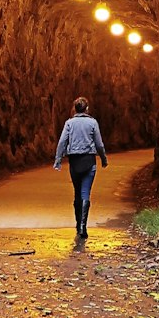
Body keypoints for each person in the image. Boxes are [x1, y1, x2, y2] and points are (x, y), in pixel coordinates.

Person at [53, 96, 108, 238]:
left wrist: (58, 160)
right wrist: (103, 159)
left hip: (74, 161)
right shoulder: (93, 123)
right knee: (85, 192)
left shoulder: (69, 123)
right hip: (89, 161)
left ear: (74, 109)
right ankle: (83, 226)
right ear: (87, 109)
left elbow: (62, 142)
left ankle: (78, 224)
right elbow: (99, 144)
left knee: (77, 192)